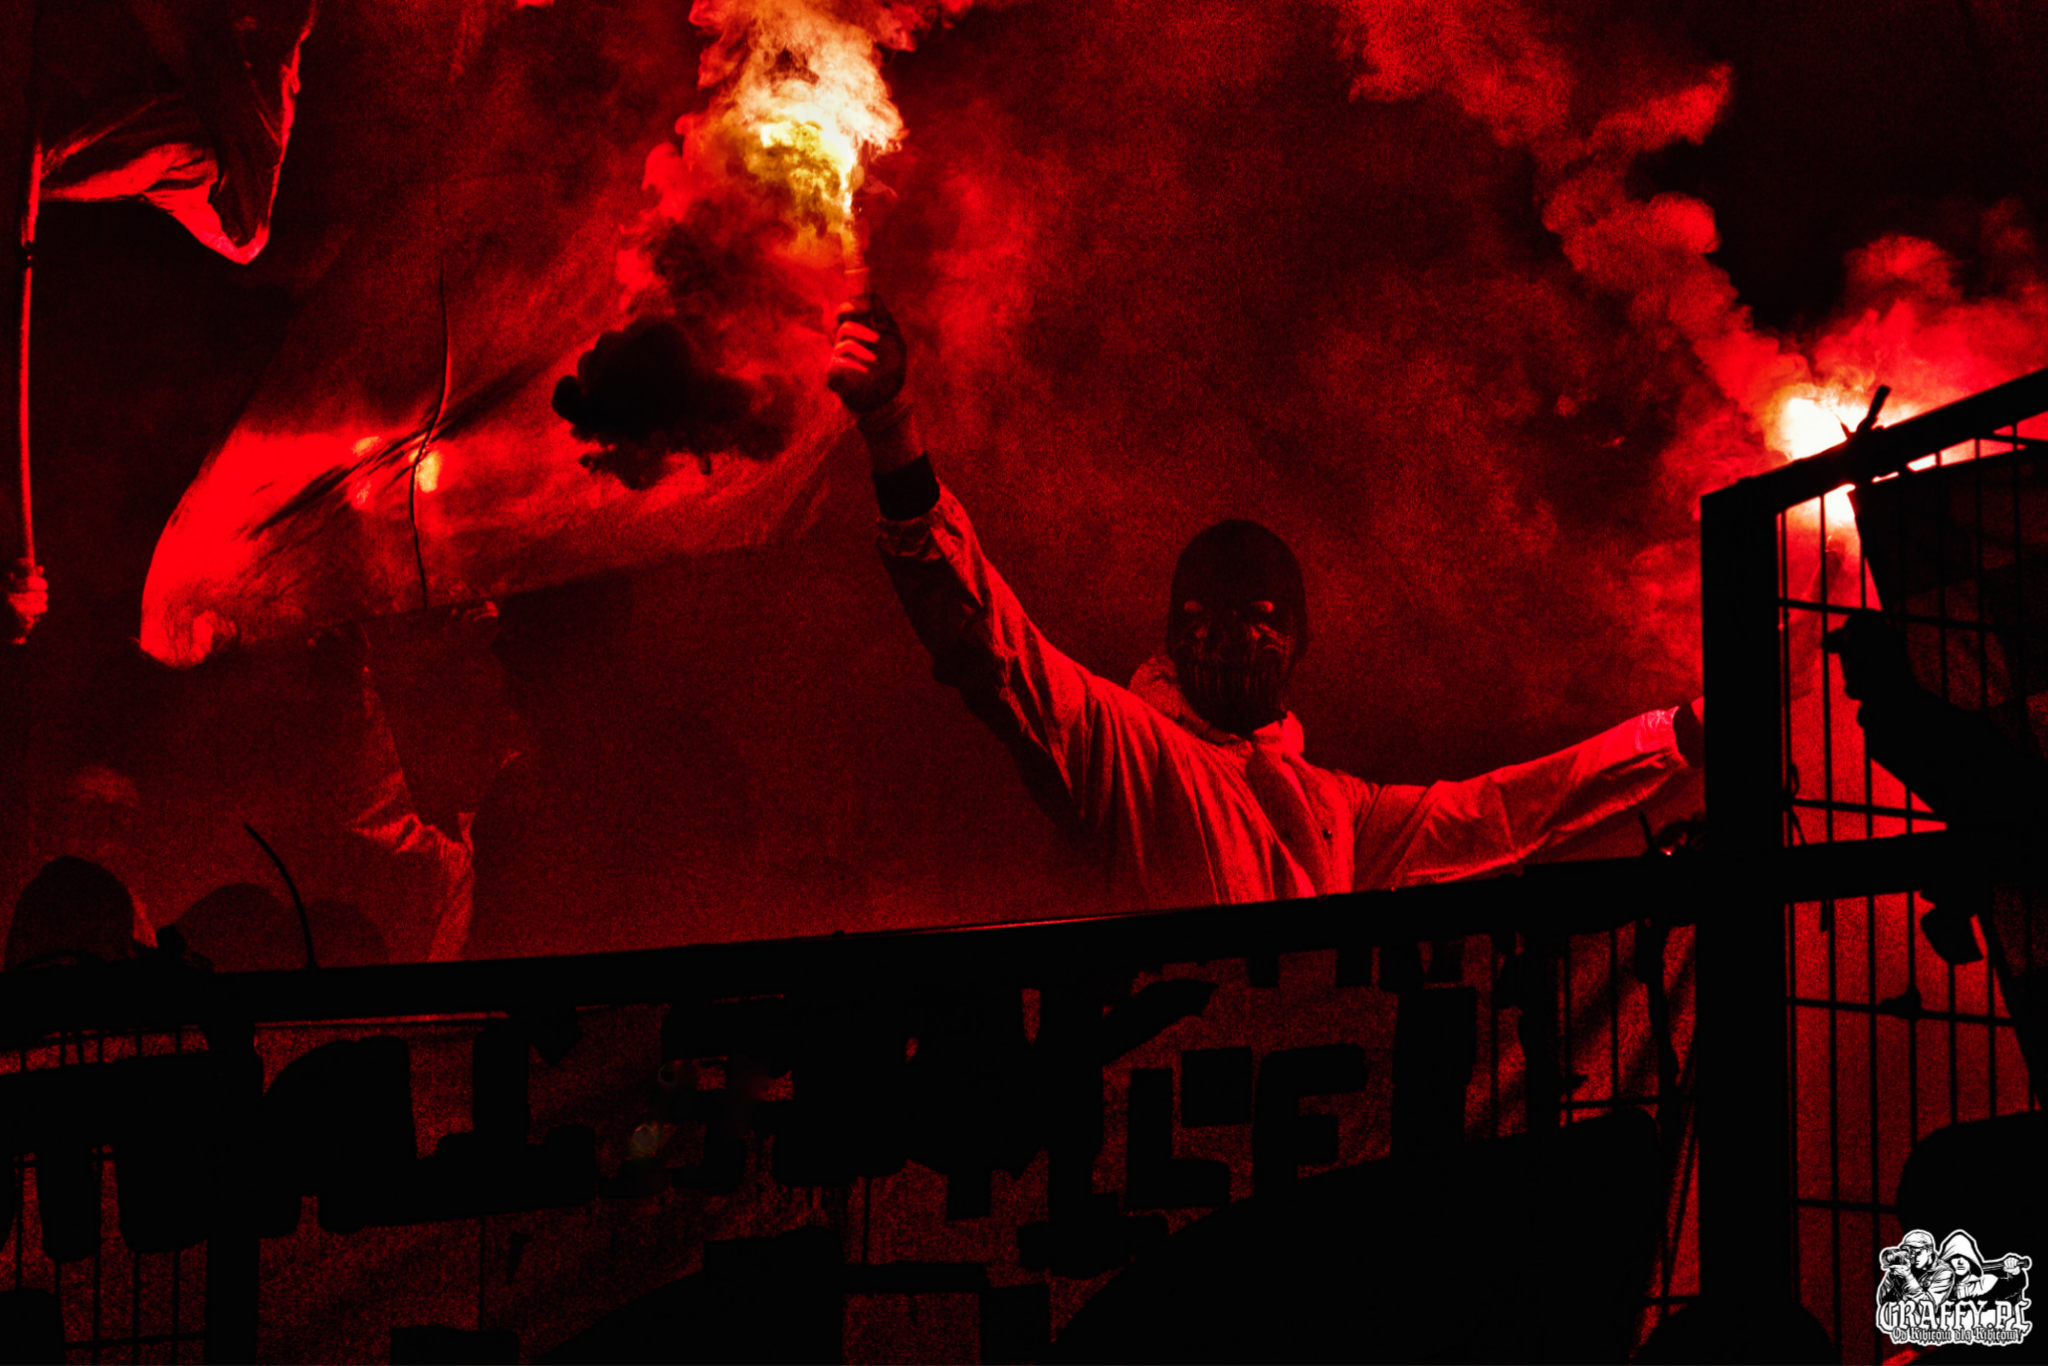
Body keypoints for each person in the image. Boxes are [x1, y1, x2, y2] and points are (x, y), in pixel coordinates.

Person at [823, 297, 1705, 910]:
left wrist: (1676, 736)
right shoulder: (1130, 753)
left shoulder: (1337, 810)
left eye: (1261, 615)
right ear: (1171, 633)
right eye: (1202, 616)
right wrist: (894, 430)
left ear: (1300, 641)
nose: (1231, 636)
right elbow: (989, 644)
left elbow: (1502, 812)